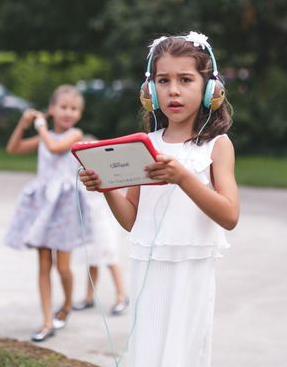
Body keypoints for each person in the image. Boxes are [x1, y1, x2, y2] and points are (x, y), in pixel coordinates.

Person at [79, 32, 239, 366]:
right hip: (147, 266)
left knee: (182, 352)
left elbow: (229, 216)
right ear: (150, 91)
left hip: (190, 266)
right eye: (163, 81)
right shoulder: (145, 145)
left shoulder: (216, 146)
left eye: (185, 79)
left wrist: (182, 177)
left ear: (211, 89)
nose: (174, 90)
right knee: (148, 350)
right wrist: (106, 185)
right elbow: (130, 219)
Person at [4, 84, 92, 342]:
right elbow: (13, 149)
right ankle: (45, 320)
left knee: (63, 267)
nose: (68, 112)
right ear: (52, 109)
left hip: (64, 206)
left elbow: (55, 148)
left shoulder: (75, 134)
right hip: (43, 206)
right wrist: (23, 124)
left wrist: (40, 126)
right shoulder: (44, 136)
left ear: (79, 114)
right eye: (63, 107)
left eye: (74, 109)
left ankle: (65, 305)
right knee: (44, 264)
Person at [72, 183, 129, 316]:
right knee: (91, 254)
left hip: (103, 209)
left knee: (109, 252)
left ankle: (121, 295)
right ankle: (89, 296)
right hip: (87, 208)